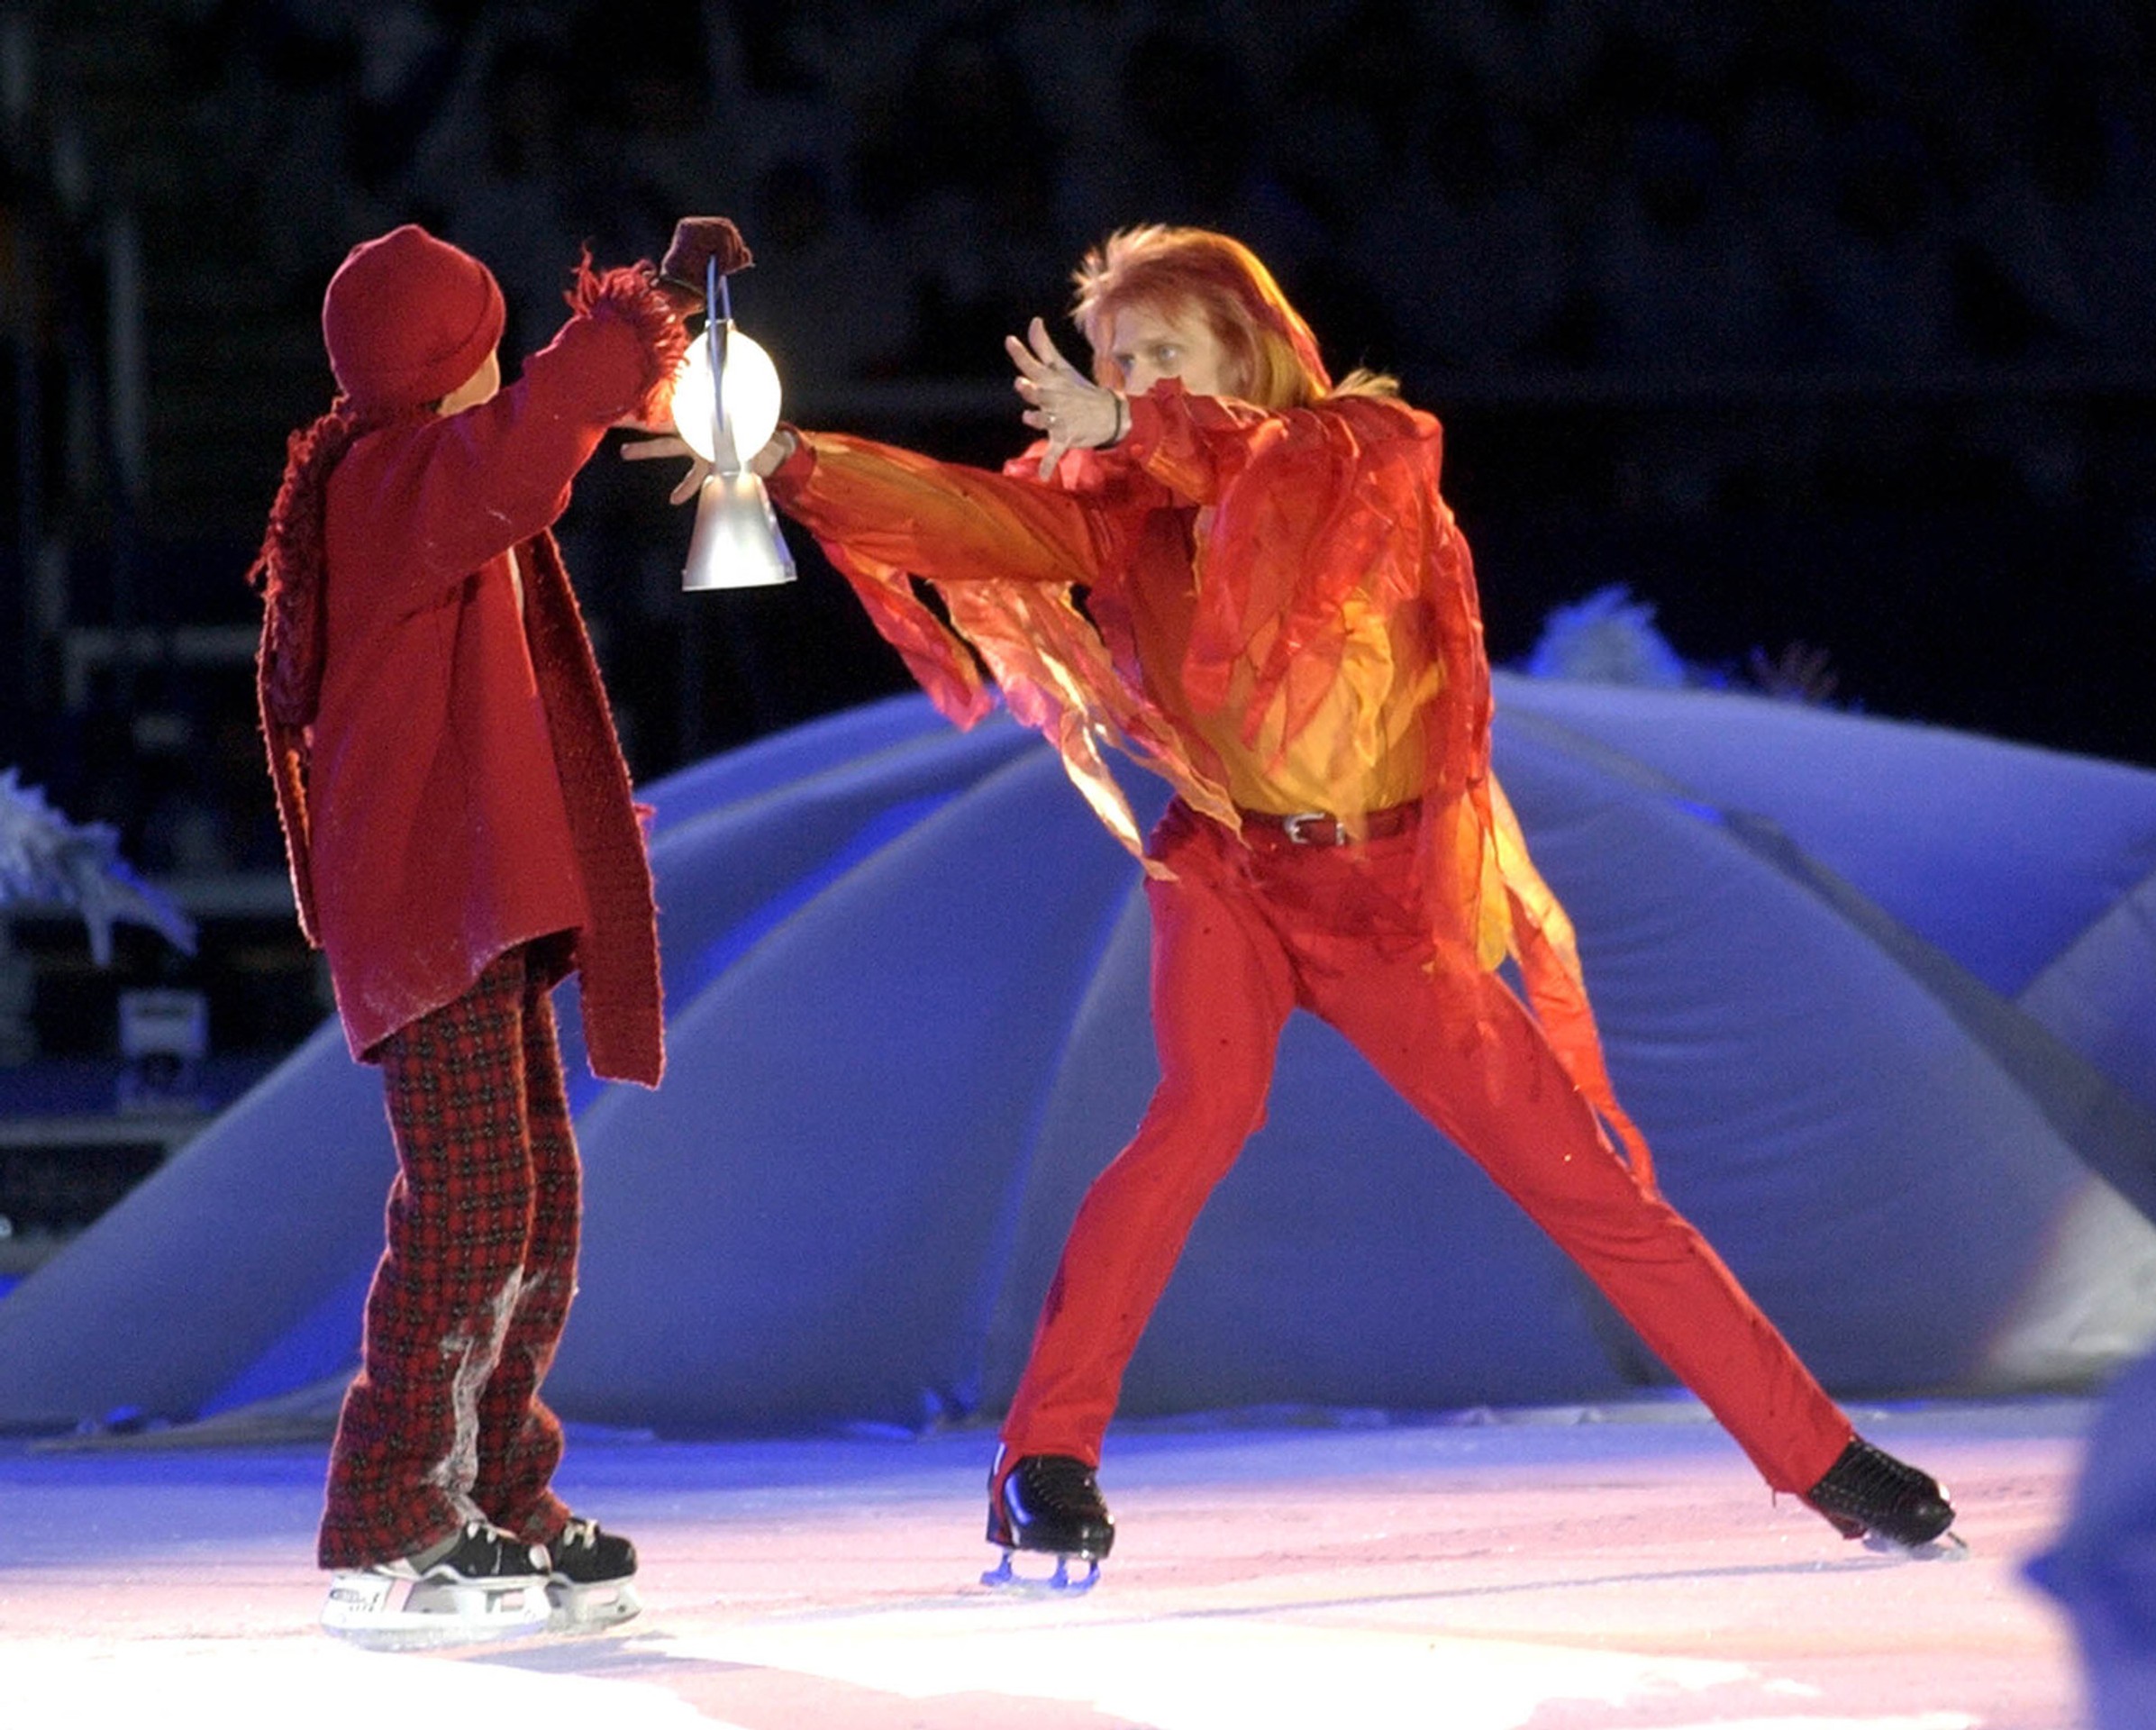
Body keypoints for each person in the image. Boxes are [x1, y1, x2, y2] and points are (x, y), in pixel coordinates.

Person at [727, 224, 1957, 1580]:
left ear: (1242, 349)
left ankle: (1820, 1456)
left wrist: (1138, 420)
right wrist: (784, 458)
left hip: (1383, 898)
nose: (1128, 380)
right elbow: (983, 519)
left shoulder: (1360, 450)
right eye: (1112, 360)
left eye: (1159, 355)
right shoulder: (1126, 499)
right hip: (1228, 871)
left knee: (1582, 1188)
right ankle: (1044, 1460)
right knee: (1191, 1122)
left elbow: (1268, 466)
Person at [250, 215, 746, 1641]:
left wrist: (648, 324)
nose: (501, 366)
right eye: (485, 339)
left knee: (532, 1203)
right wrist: (638, 304)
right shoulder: (391, 483)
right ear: (448, 363)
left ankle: (500, 1493)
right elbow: (527, 445)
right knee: (469, 1210)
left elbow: (526, 434)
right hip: (431, 905)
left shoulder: (414, 471)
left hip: (479, 899)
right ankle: (393, 1521)